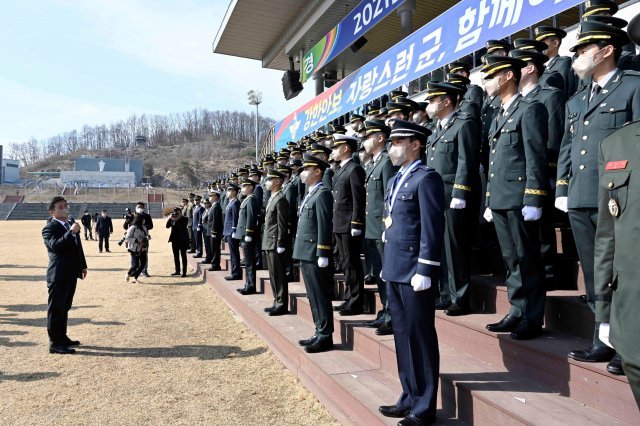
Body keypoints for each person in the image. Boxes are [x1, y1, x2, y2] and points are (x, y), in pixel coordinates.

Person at [555, 20, 640, 375]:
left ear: (606, 50)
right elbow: (567, 147)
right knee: (594, 271)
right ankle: (602, 337)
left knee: (623, 271)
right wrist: (563, 187)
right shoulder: (577, 99)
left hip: (620, 199)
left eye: (583, 49)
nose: (576, 56)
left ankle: (627, 342)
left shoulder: (633, 88)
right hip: (581, 196)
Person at [378, 119, 444, 425]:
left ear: (415, 144)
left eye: (397, 142)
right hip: (395, 269)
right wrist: (386, 266)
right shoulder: (395, 180)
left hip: (415, 271)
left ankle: (424, 406)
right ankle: (408, 395)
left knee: (420, 338)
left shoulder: (426, 178)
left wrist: (426, 267)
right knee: (402, 337)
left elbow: (431, 227)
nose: (393, 148)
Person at [482, 55, 549, 340]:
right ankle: (517, 309)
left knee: (527, 258)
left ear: (507, 75)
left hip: (520, 197)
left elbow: (535, 157)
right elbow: (495, 161)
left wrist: (534, 198)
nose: (486, 83)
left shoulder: (529, 109)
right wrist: (488, 199)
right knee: (511, 259)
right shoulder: (499, 112)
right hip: (500, 197)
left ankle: (533, 317)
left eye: (490, 76)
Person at [509, 48, 566, 281]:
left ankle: (549, 271)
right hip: (518, 172)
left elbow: (554, 135)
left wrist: (550, 169)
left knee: (542, 226)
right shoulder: (517, 101)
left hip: (540, 169)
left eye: (518, 66)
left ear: (531, 68)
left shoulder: (549, 95)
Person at [425, 82, 480, 317]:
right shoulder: (435, 129)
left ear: (447, 101)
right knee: (440, 248)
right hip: (436, 198)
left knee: (454, 248)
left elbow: (465, 161)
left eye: (432, 100)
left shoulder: (463, 123)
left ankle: (460, 296)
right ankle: (446, 294)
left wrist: (460, 192)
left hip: (452, 196)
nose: (429, 105)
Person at [293, 154, 334, 353]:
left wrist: (323, 252)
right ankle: (319, 330)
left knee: (320, 294)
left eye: (306, 169)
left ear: (318, 172)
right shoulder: (310, 193)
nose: (303, 173)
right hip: (305, 251)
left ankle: (325, 335)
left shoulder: (323, 193)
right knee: (312, 295)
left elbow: (324, 225)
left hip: (314, 252)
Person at [361, 119, 396, 334]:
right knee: (380, 274)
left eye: (369, 136)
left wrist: (387, 227)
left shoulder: (386, 162)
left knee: (387, 273)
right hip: (371, 228)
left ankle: (393, 315)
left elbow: (389, 198)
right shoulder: (373, 163)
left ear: (380, 138)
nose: (365, 140)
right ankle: (385, 309)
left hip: (381, 227)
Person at [42, 196, 88, 354]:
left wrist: (82, 265)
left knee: (65, 307)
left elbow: (77, 247)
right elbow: (56, 246)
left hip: (71, 273)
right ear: (52, 212)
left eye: (65, 205)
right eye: (60, 207)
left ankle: (62, 337)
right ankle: (55, 342)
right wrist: (70, 232)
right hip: (58, 274)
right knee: (56, 309)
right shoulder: (49, 228)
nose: (65, 208)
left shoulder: (70, 224)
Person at [331, 133, 366, 316]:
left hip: (348, 224)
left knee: (352, 264)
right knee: (345, 264)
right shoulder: (339, 170)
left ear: (346, 148)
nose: (334, 151)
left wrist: (356, 222)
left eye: (337, 147)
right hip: (338, 223)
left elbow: (358, 199)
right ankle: (349, 298)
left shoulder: (354, 169)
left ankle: (356, 302)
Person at [262, 169, 290, 316]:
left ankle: (282, 303)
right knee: (272, 274)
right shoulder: (272, 197)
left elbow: (282, 224)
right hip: (268, 240)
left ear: (278, 182)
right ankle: (276, 300)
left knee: (278, 274)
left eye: (270, 180)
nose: (267, 182)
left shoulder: (281, 199)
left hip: (275, 241)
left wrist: (281, 243)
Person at [234, 178, 259, 295]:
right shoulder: (246, 200)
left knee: (250, 262)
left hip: (247, 235)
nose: (242, 188)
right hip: (243, 235)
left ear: (250, 187)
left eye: (244, 186)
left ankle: (251, 285)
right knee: (248, 261)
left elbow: (251, 218)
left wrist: (249, 233)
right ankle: (247, 284)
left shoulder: (251, 200)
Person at [224, 184, 242, 281]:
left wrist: (235, 230)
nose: (227, 192)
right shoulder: (231, 202)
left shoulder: (235, 203)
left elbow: (235, 217)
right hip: (228, 231)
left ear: (234, 192)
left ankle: (236, 273)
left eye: (229, 190)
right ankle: (234, 272)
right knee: (232, 253)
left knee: (234, 253)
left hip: (232, 231)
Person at [124, 214, 149, 283]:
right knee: (135, 265)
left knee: (143, 263)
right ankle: (128, 274)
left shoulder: (144, 227)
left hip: (142, 248)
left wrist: (147, 238)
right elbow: (127, 238)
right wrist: (136, 240)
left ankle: (135, 278)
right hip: (134, 249)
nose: (144, 220)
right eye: (143, 219)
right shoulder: (132, 228)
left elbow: (146, 235)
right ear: (139, 220)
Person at [167, 207, 189, 277]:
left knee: (183, 256)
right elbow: (167, 226)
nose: (176, 214)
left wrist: (177, 219)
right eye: (175, 212)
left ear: (181, 212)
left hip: (183, 240)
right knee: (176, 256)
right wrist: (170, 218)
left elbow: (183, 226)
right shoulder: (173, 218)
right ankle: (177, 271)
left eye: (178, 212)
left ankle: (184, 272)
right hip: (174, 240)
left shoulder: (185, 219)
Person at [206, 190, 223, 272]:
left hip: (214, 232)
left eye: (211, 196)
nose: (209, 197)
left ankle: (215, 265)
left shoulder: (216, 206)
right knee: (213, 248)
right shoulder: (214, 206)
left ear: (216, 197)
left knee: (215, 249)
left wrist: (214, 232)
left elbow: (216, 220)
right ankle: (214, 264)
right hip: (212, 231)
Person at [135, 202, 154, 277]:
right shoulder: (132, 215)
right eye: (139, 207)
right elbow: (125, 226)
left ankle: (144, 270)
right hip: (134, 238)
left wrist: (143, 226)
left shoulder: (147, 216)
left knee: (144, 254)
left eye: (142, 207)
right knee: (134, 254)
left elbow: (151, 226)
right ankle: (135, 270)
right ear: (136, 207)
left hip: (144, 237)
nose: (140, 208)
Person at [201, 198, 213, 264]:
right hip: (204, 228)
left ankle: (209, 258)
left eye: (207, 203)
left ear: (209, 204)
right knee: (206, 244)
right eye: (205, 203)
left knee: (209, 244)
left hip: (208, 229)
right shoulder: (205, 210)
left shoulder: (210, 210)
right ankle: (208, 257)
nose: (205, 205)